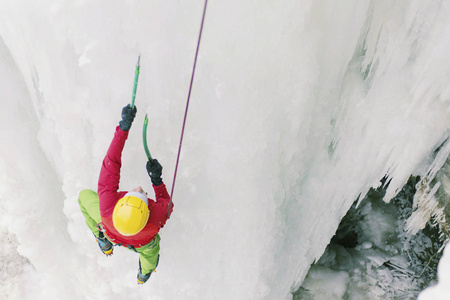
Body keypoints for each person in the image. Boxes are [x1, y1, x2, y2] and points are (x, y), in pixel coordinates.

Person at [78, 104, 173, 284]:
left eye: (133, 194)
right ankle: (144, 274)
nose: (138, 188)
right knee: (150, 257)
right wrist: (157, 181)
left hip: (109, 230)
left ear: (119, 206)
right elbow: (166, 202)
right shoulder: (155, 219)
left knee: (84, 197)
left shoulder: (107, 207)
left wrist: (123, 128)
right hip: (142, 244)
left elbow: (111, 162)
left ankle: (101, 238)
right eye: (142, 194)